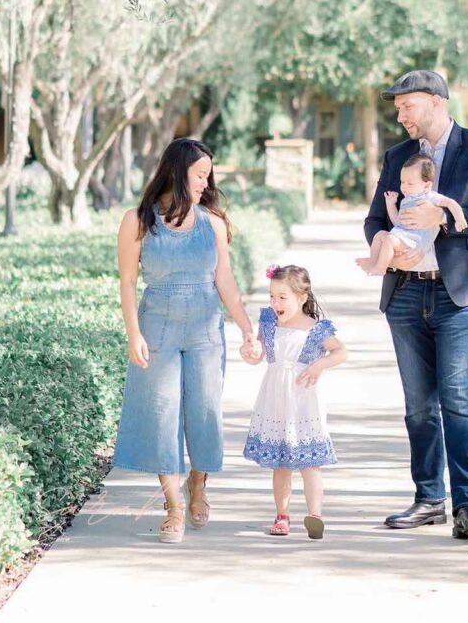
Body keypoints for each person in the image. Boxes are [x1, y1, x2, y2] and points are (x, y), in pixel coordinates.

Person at [363, 70, 468, 540]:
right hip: (405, 293)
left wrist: (445, 217)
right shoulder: (397, 156)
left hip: (459, 294)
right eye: (398, 109)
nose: (401, 116)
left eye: (407, 106)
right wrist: (386, 241)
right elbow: (372, 219)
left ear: (434, 101)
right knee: (418, 406)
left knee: (458, 401)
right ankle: (428, 500)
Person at [112, 137, 260, 543]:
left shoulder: (211, 223)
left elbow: (224, 278)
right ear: (177, 173)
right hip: (157, 325)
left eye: (207, 176)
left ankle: (199, 485)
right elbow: (126, 281)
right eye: (199, 175)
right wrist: (133, 333)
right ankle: (173, 507)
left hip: (205, 330)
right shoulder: (138, 220)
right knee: (163, 414)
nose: (204, 183)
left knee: (204, 412)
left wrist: (247, 328)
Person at [241, 264, 347, 540]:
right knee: (281, 462)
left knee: (310, 463)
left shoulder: (316, 328)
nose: (275, 303)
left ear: (302, 298)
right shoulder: (268, 322)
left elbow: (340, 351)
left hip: (303, 402)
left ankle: (315, 515)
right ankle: (282, 515)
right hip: (275, 398)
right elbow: (258, 355)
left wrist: (319, 365)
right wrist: (250, 352)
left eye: (282, 297)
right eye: (272, 296)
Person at [356, 152, 467, 275]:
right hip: (402, 236)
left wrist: (459, 218)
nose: (404, 187)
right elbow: (398, 222)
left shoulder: (430, 198)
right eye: (402, 182)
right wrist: (390, 204)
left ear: (427, 185)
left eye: (410, 183)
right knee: (380, 235)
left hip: (414, 243)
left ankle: (381, 268)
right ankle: (373, 261)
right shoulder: (406, 200)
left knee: (388, 240)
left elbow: (451, 203)